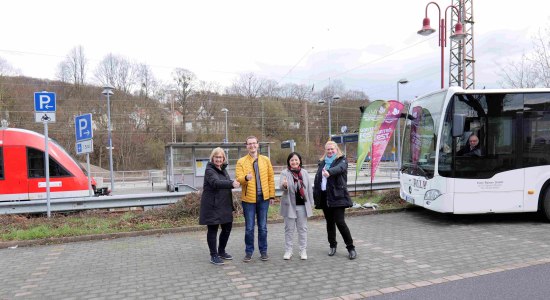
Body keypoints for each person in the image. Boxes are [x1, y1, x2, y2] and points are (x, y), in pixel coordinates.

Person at [313, 140, 357, 260]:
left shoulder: (342, 160)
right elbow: (318, 179)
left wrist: (329, 172)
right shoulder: (322, 162)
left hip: (338, 196)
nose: (330, 151)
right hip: (325, 196)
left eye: (332, 149)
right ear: (325, 150)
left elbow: (340, 169)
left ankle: (351, 248)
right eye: (328, 149)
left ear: (336, 149)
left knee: (340, 222)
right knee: (330, 223)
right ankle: (332, 245)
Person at [236, 136, 275, 262]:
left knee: (263, 227)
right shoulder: (241, 161)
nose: (252, 146)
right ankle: (249, 252)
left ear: (258, 145)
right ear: (246, 146)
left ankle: (263, 251)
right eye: (249, 144)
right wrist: (246, 178)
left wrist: (272, 195)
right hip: (248, 200)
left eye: (254, 143)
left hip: (264, 199)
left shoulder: (266, 160)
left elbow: (270, 179)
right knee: (249, 228)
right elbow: (239, 179)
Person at [199, 147, 240, 266]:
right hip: (212, 205)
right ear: (212, 158)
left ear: (223, 158)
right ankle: (213, 255)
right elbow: (215, 183)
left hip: (224, 205)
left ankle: (221, 251)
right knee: (213, 230)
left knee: (227, 228)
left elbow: (226, 182)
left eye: (220, 157)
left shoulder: (223, 169)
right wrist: (231, 183)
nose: (218, 159)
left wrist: (240, 180)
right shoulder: (209, 170)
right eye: (216, 157)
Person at [279, 152, 314, 260]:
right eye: (292, 160)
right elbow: (281, 186)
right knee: (289, 229)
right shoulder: (285, 173)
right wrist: (284, 185)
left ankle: (303, 250)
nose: (294, 162)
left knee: (302, 229)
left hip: (302, 206)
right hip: (289, 205)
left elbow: (308, 190)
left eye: (296, 160)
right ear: (289, 162)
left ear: (299, 161)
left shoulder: (304, 172)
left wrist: (311, 203)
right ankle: (288, 250)